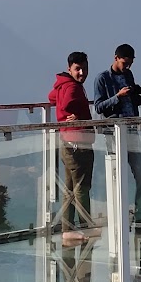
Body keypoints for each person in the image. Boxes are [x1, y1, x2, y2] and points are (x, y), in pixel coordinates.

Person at [93, 44, 141, 222]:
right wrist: (117, 96)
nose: (127, 67)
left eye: (130, 64)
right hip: (114, 133)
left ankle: (139, 214)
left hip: (132, 131)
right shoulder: (102, 79)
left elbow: (131, 101)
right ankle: (118, 216)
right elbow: (98, 107)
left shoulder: (128, 75)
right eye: (124, 63)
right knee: (117, 176)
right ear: (116, 58)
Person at [49, 52, 96, 246]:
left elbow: (51, 97)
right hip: (78, 142)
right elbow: (68, 103)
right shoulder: (73, 87)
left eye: (84, 68)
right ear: (70, 69)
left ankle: (67, 229)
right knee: (82, 187)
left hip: (66, 141)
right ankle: (86, 227)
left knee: (69, 187)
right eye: (78, 69)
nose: (82, 73)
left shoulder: (62, 84)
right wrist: (75, 114)